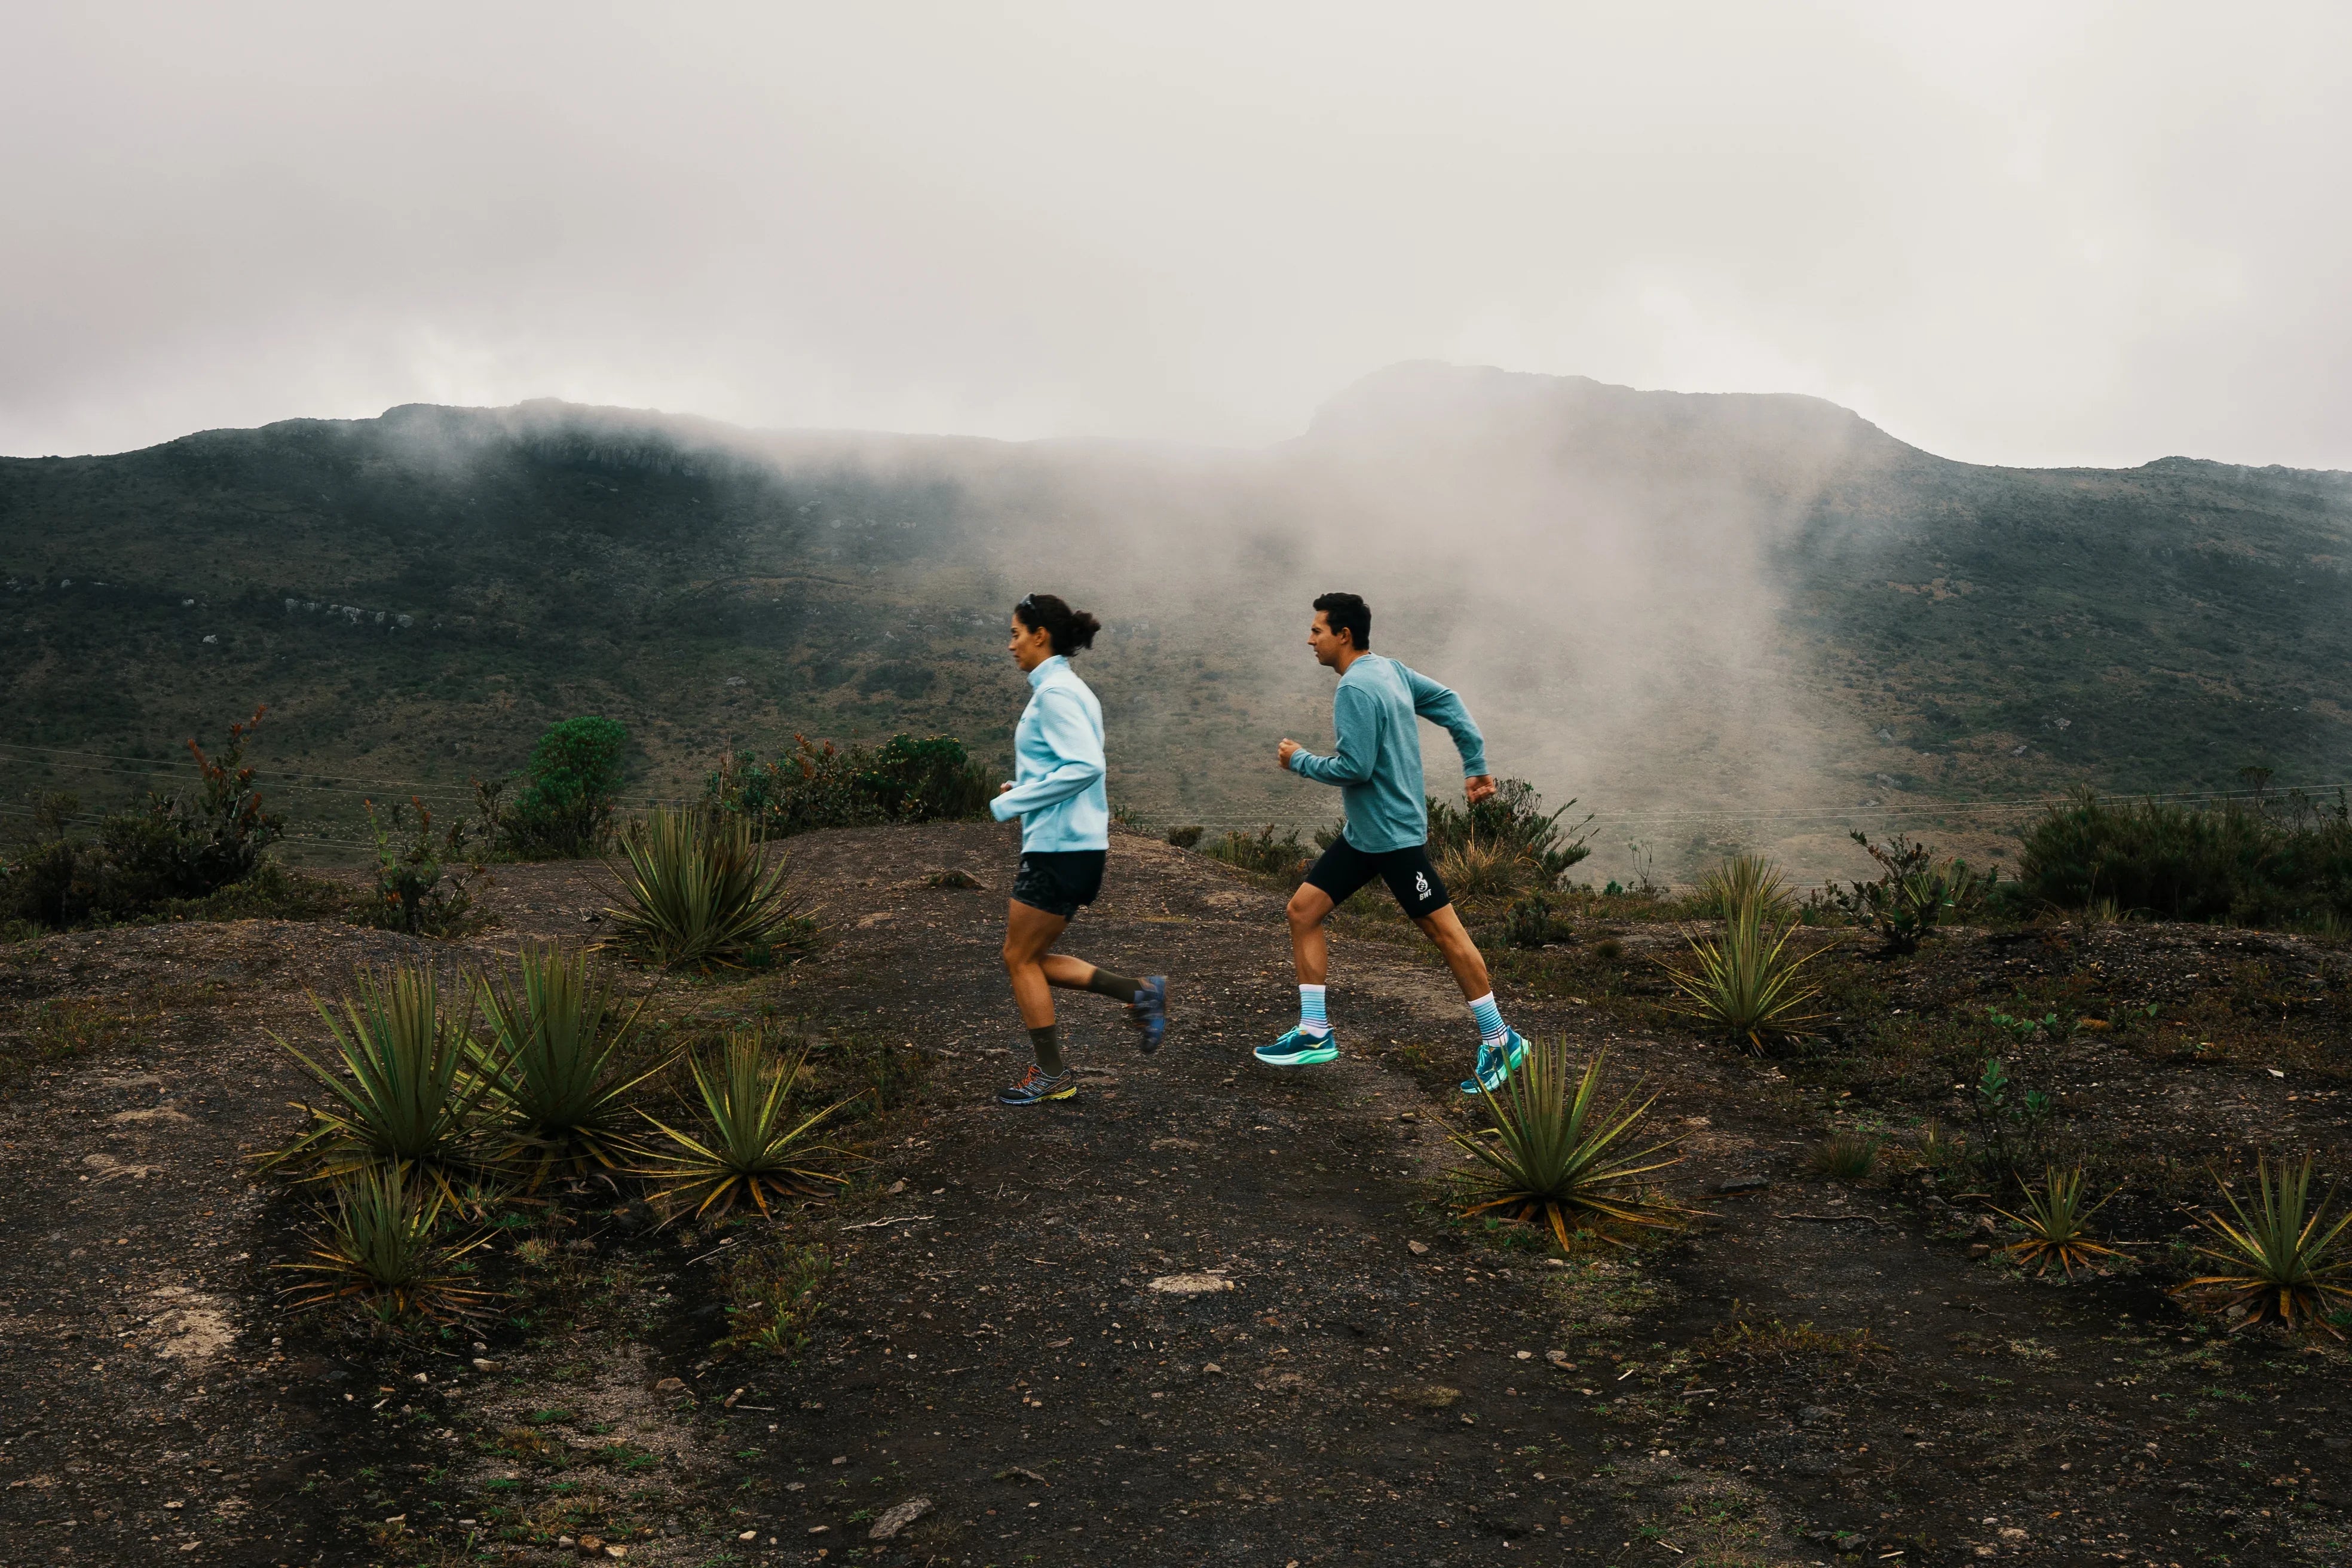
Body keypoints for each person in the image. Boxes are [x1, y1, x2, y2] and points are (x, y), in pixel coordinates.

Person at [1257, 591, 1529, 1095]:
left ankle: (1501, 1040)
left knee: (1445, 934)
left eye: (1317, 630)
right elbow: (1448, 702)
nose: (1309, 639)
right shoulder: (1390, 670)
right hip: (1367, 836)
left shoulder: (1355, 690)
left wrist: (1298, 759)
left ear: (1343, 635)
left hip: (1394, 840)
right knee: (1303, 911)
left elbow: (1353, 769)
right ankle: (1315, 1031)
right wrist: (1476, 764)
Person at [988, 593, 1169, 1106]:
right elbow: (1065, 767)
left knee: (1018, 957)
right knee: (1030, 956)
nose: (1011, 645)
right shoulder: (1069, 690)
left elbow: (1086, 766)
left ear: (1040, 634)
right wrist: (1022, 788)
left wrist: (1017, 802)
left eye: (1016, 634)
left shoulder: (1057, 695)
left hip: (1060, 850)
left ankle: (1053, 1076)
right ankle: (1139, 994)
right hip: (1073, 845)